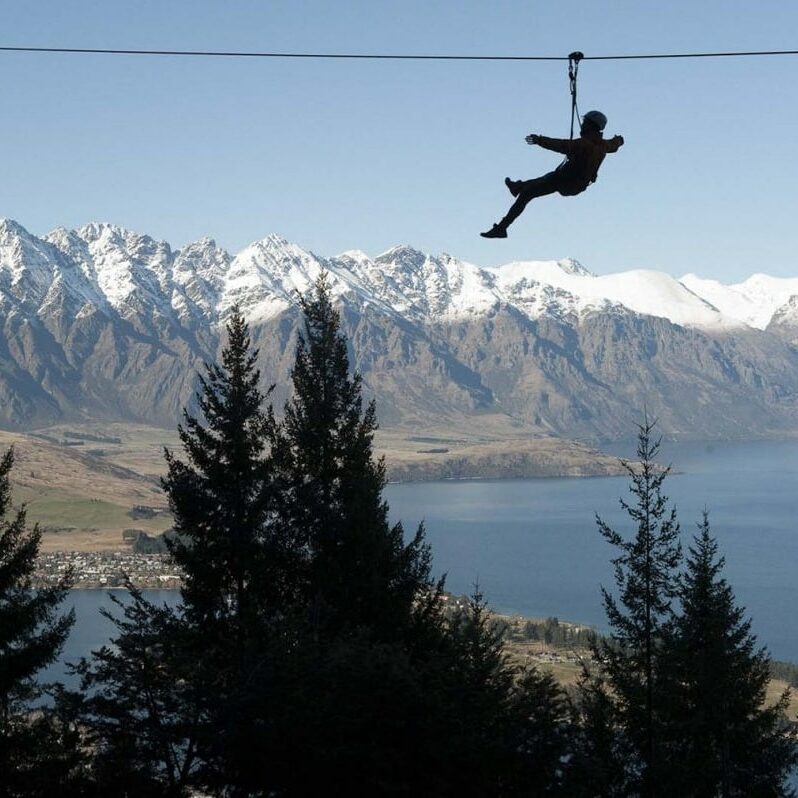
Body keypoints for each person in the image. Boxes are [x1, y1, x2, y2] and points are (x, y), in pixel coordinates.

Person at [480, 110, 624, 238]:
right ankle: (517, 188)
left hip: (566, 182)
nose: (582, 125)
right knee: (544, 180)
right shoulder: (604, 145)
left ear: (591, 126)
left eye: (585, 122)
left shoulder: (584, 144)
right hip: (573, 183)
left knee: (528, 193)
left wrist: (539, 140)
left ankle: (503, 225)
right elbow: (615, 144)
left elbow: (560, 145)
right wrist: (619, 139)